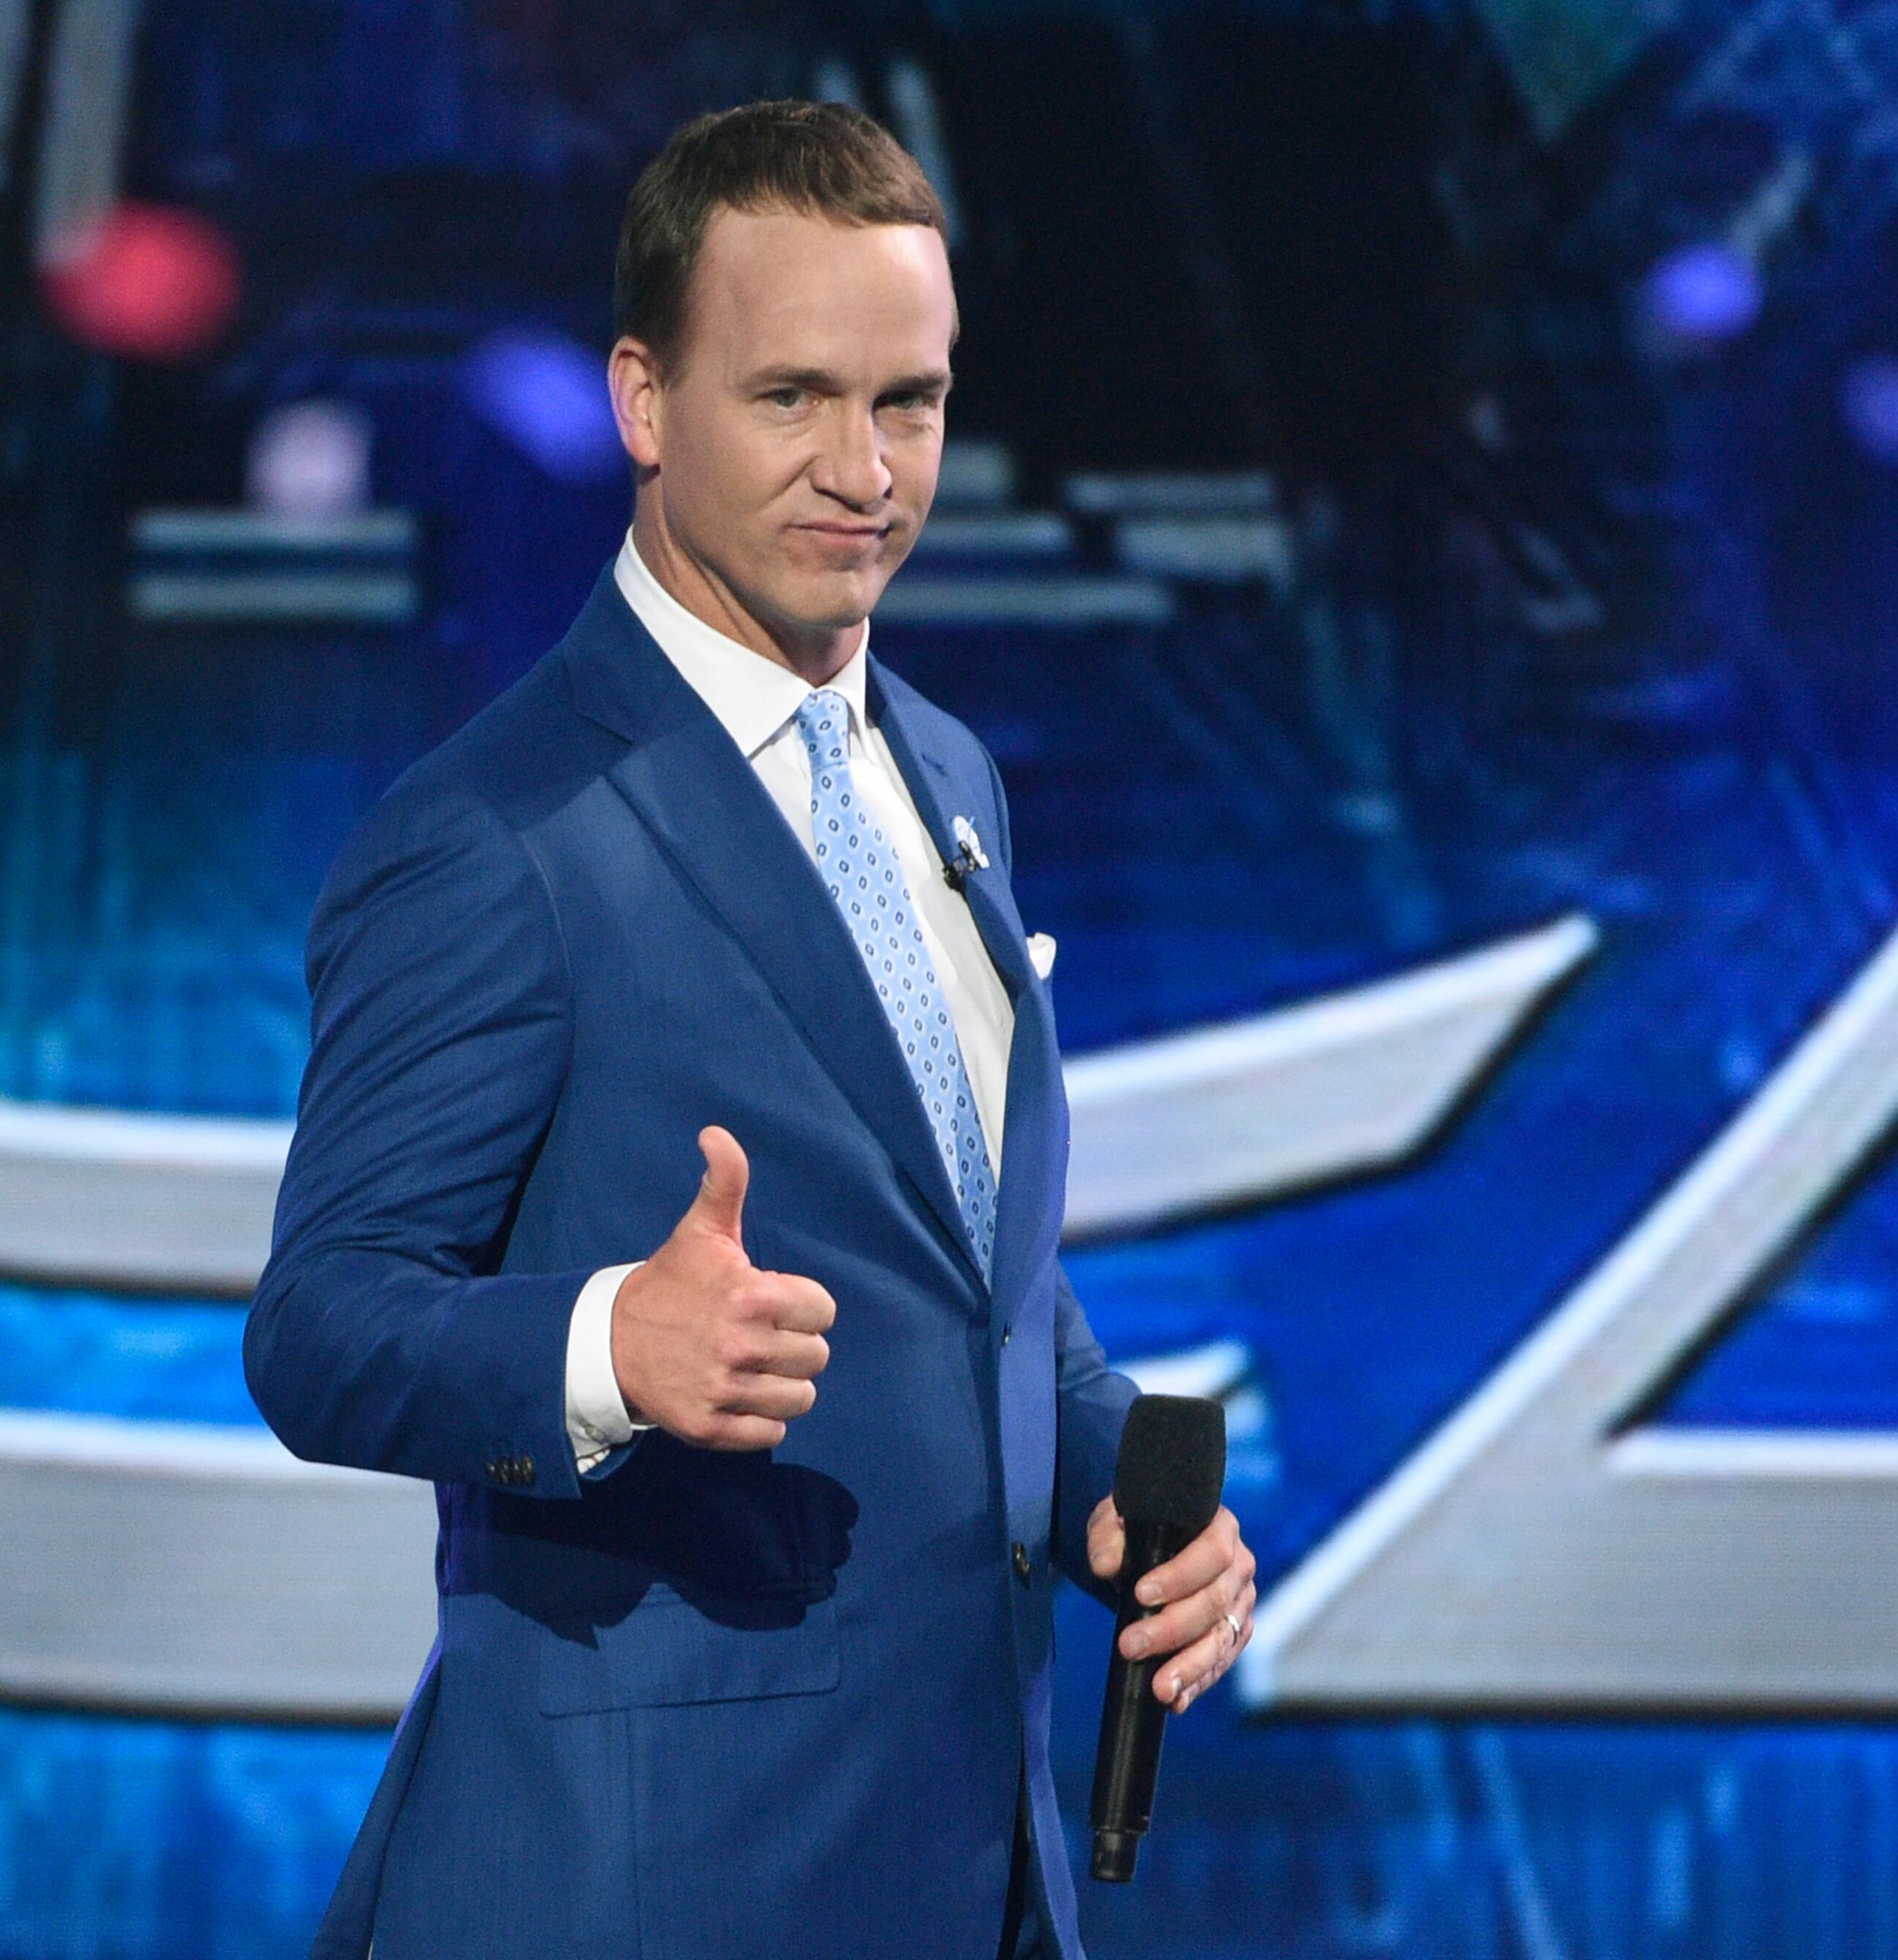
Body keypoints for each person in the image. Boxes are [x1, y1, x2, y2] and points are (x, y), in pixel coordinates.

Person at [245, 99, 1255, 1960]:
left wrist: (1109, 1466)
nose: (865, 469)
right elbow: (320, 1323)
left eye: (912, 403)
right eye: (792, 396)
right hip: (647, 1888)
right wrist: (605, 1343)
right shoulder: (496, 835)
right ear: (644, 403)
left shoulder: (943, 769)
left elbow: (961, 1271)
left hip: (970, 1867)